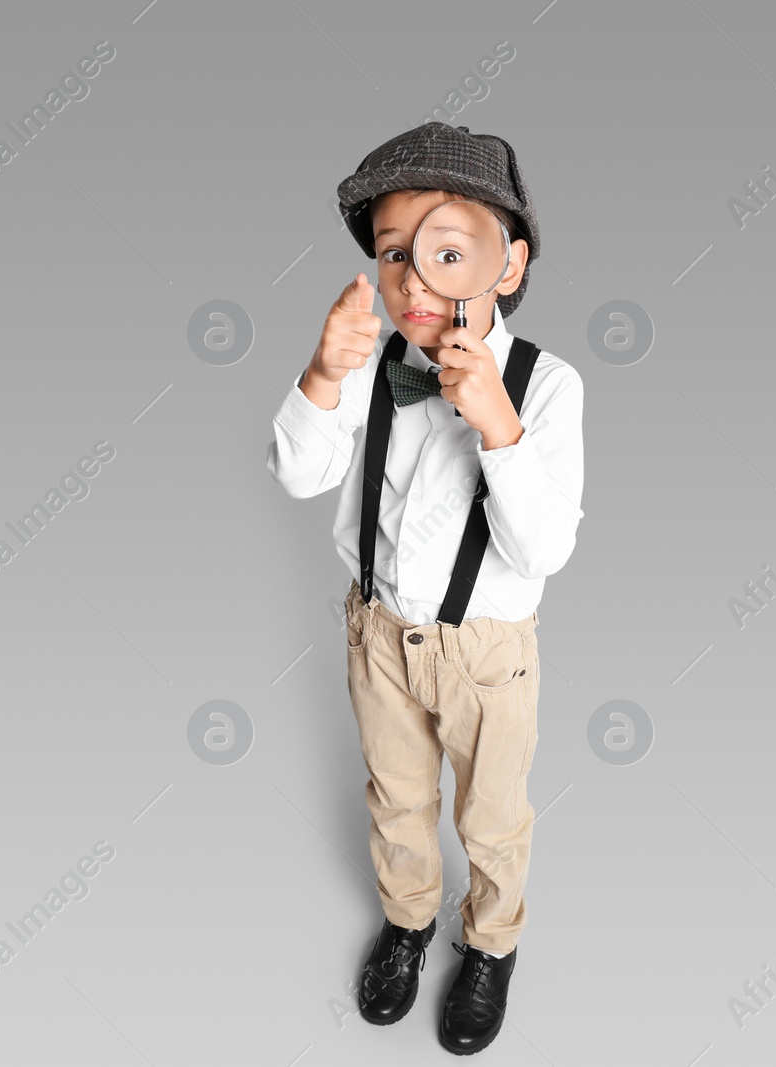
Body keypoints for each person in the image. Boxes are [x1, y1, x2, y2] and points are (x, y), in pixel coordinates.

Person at [265, 120, 584, 1055]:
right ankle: (408, 921)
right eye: (396, 253)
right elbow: (298, 473)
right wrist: (324, 372)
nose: (415, 280)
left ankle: (490, 943)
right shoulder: (371, 366)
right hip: (376, 633)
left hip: (486, 656)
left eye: (449, 253)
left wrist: (497, 425)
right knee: (396, 798)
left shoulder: (548, 386)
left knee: (492, 815)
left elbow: (544, 548)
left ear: (509, 265)